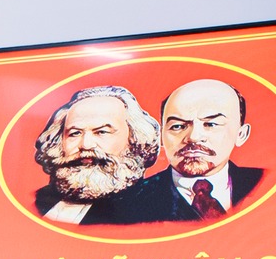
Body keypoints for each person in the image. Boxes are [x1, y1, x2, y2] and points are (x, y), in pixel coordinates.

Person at [91, 79, 262, 223]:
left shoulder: (263, 185)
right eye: (178, 126)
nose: (193, 137)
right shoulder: (123, 205)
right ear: (161, 136)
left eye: (211, 124)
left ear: (241, 134)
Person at [29, 85, 159, 223]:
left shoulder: (150, 209)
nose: (86, 145)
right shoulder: (39, 201)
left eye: (102, 132)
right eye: (75, 133)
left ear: (134, 140)